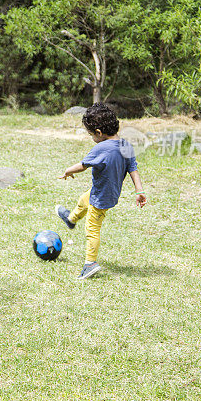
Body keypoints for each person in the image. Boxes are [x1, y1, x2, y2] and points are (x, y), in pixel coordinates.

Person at [55, 103, 147, 279]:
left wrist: (67, 171)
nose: (92, 138)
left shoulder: (100, 148)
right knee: (83, 199)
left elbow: (83, 166)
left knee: (92, 229)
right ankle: (71, 219)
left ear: (98, 132)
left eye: (91, 135)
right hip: (108, 192)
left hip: (101, 197)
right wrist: (139, 190)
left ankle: (90, 264)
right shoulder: (125, 145)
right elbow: (133, 168)